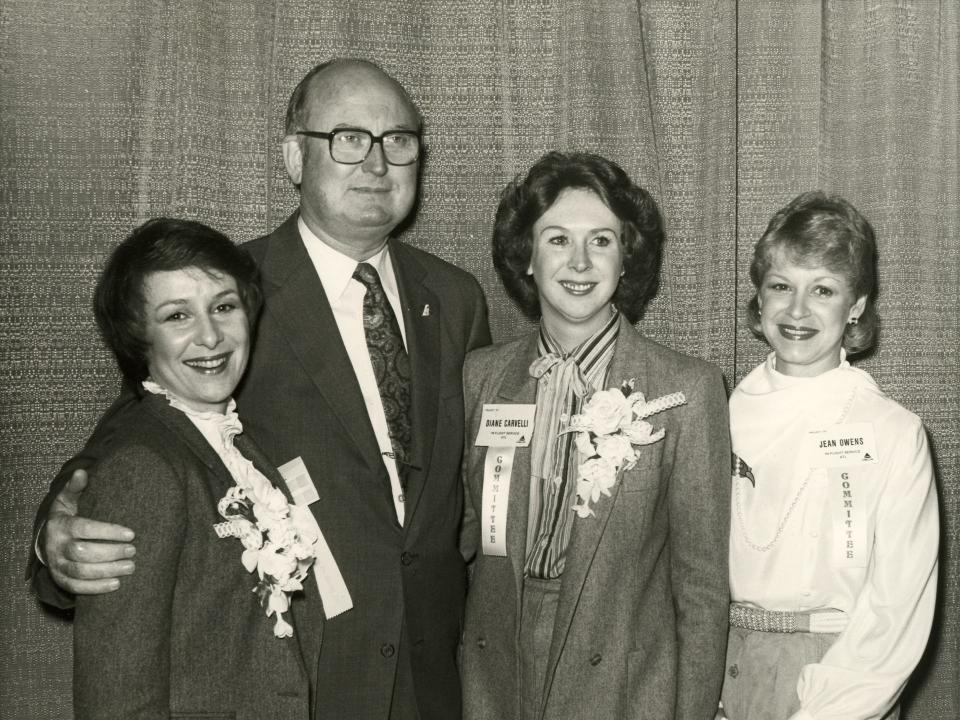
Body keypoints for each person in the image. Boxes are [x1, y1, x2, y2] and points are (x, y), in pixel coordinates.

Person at [31, 58, 491, 720]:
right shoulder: (228, 295)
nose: (378, 163)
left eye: (399, 140)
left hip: (432, 672)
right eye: (349, 138)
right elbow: (136, 429)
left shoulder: (454, 297)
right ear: (294, 158)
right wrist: (59, 532)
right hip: (300, 670)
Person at [459, 151, 731, 719]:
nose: (579, 262)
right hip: (497, 676)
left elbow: (702, 590)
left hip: (626, 686)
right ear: (526, 257)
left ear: (626, 258)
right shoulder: (480, 376)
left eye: (601, 241)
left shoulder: (687, 389)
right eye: (557, 239)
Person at [73, 218, 318, 718]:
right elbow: (116, 694)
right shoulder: (142, 465)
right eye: (177, 316)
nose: (210, 336)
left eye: (224, 307)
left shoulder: (237, 444)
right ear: (139, 337)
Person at [720, 192, 938, 719]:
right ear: (759, 297)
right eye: (781, 287)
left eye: (822, 290)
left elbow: (895, 610)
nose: (797, 311)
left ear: (856, 305)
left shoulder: (893, 432)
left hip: (839, 675)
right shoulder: (718, 413)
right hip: (721, 668)